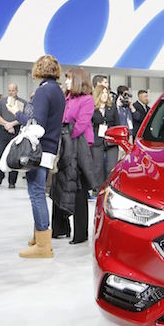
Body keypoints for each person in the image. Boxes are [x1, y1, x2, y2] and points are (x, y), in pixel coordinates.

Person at [9, 55, 65, 258]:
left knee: (36, 193)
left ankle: (43, 244)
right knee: (39, 192)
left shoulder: (43, 90)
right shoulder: (57, 91)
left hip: (39, 148)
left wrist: (17, 113)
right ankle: (39, 237)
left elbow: (36, 123)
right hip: (50, 147)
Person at [52, 67, 97, 244]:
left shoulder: (87, 99)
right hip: (65, 146)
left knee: (78, 190)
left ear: (78, 80)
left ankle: (80, 233)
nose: (66, 82)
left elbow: (80, 126)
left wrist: (66, 135)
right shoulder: (66, 98)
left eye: (69, 79)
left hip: (80, 147)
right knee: (59, 186)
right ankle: (60, 228)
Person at [0, 83, 25, 189]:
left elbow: (23, 117)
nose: (11, 92)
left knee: (14, 157)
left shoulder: (22, 103)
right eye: (10, 90)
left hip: (16, 132)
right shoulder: (2, 102)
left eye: (13, 90)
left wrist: (12, 124)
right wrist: (6, 125)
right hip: (2, 131)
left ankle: (12, 181)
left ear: (17, 90)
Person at [90, 84, 119, 190]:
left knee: (111, 167)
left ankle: (110, 189)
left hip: (111, 141)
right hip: (97, 140)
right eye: (103, 93)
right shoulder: (92, 108)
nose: (105, 95)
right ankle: (98, 190)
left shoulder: (112, 107)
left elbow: (117, 124)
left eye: (107, 92)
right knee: (97, 167)